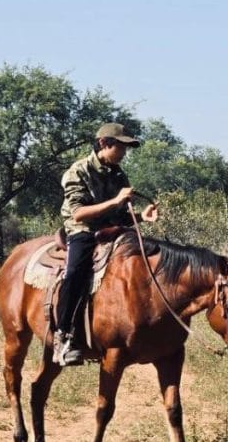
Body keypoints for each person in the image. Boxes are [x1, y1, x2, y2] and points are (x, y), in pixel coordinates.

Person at [53, 122, 158, 366]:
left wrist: (142, 216)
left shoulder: (118, 174)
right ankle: (63, 335)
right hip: (83, 231)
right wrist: (116, 201)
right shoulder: (77, 171)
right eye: (120, 147)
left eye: (125, 148)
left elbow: (121, 215)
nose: (124, 153)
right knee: (75, 273)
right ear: (104, 143)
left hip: (111, 230)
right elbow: (78, 213)